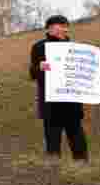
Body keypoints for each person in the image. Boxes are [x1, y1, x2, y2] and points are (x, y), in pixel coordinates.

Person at [29, 15, 88, 161]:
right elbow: (33, 73)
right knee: (53, 141)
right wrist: (39, 68)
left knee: (78, 140)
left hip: (72, 102)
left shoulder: (75, 48)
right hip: (51, 103)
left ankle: (83, 167)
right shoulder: (39, 47)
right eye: (60, 25)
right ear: (49, 28)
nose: (64, 29)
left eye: (66, 26)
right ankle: (53, 170)